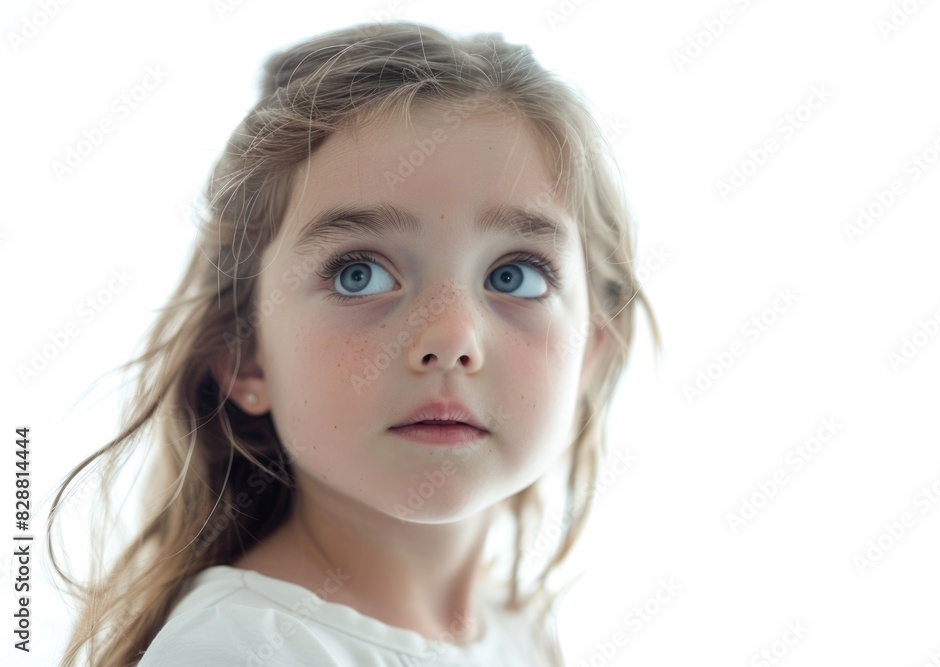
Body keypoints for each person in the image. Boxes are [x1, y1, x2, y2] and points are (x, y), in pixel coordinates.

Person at [47, 20, 662, 666]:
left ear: (590, 347)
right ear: (246, 353)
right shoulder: (239, 649)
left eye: (515, 275)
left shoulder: (520, 627)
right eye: (358, 273)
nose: (451, 338)